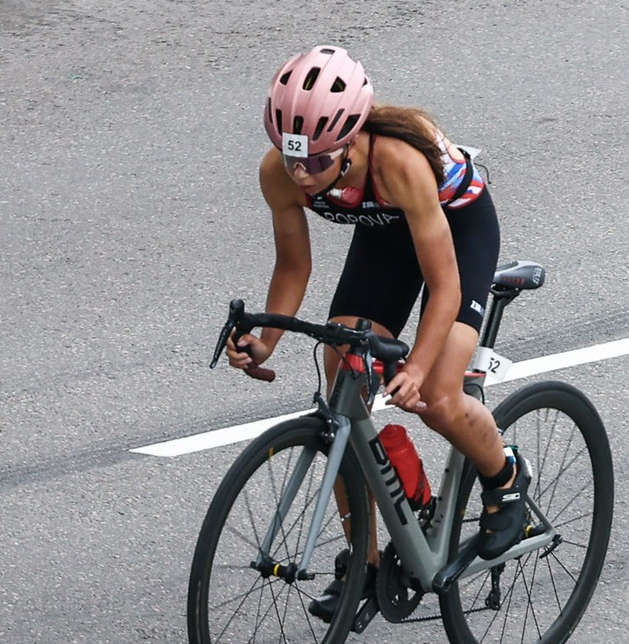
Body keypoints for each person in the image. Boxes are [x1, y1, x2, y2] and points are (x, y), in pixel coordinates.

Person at [225, 46, 528, 608]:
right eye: (291, 157)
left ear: (351, 137)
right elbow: (293, 266)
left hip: (456, 234)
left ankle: (505, 478)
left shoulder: (400, 162)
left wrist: (415, 366)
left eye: (316, 160)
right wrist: (265, 342)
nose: (301, 175)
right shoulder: (282, 173)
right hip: (385, 233)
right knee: (343, 382)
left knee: (435, 395)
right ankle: (361, 560)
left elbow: (445, 287)